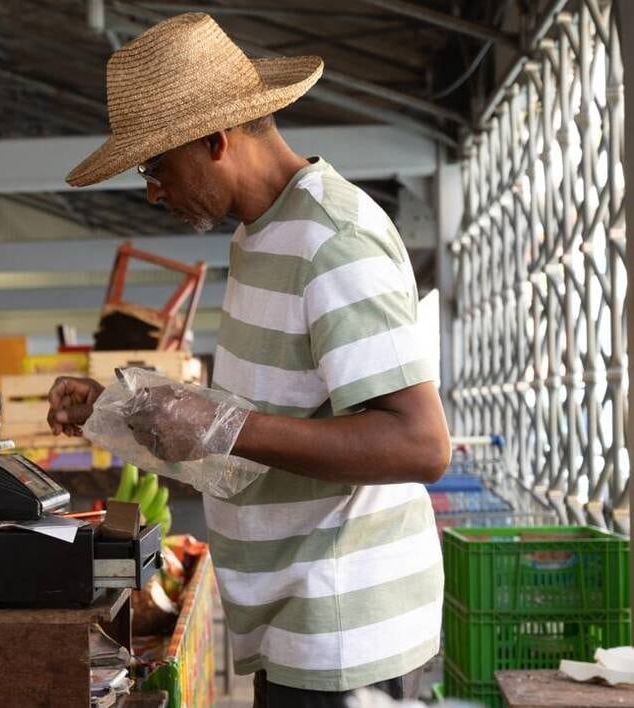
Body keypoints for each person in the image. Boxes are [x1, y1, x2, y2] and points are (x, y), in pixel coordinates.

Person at [48, 14, 450, 706]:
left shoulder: (332, 239)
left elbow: (420, 444)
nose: (152, 189)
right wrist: (117, 409)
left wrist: (224, 423)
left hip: (339, 622)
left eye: (156, 166)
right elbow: (263, 424)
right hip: (287, 615)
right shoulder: (260, 236)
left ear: (215, 139)